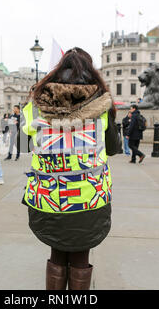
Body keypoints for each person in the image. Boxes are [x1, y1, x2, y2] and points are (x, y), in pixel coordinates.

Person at [19, 47, 121, 290]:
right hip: (89, 197)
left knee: (57, 252)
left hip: (48, 198)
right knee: (80, 255)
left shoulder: (34, 107)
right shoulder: (102, 105)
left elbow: (23, 145)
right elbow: (113, 148)